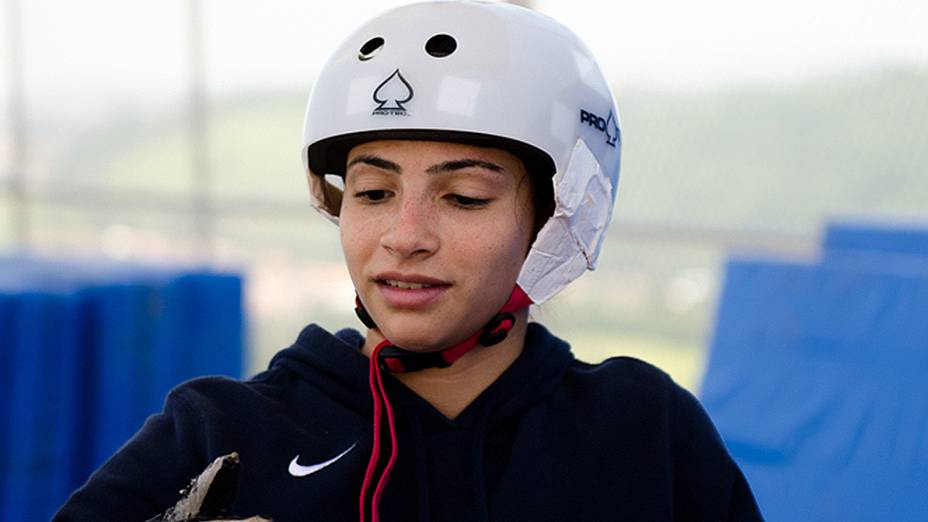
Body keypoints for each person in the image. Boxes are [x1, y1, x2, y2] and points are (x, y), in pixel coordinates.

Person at [56, 2, 762, 520]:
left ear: (555, 217)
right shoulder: (219, 433)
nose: (405, 234)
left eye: (463, 197)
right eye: (372, 191)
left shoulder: (644, 433)